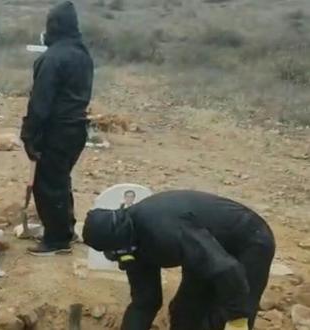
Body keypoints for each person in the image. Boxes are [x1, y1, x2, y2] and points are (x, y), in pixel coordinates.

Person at [83, 190, 275, 330]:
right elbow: (145, 302)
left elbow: (227, 269)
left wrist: (238, 319)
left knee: (221, 318)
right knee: (185, 313)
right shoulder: (129, 246)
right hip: (206, 247)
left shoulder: (165, 230)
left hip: (248, 241)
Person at [20, 1, 94, 256]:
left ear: (54, 27)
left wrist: (28, 134)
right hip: (77, 128)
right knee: (60, 179)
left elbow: (40, 103)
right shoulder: (82, 54)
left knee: (47, 184)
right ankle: (65, 229)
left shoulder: (52, 58)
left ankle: (56, 239)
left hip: (56, 130)